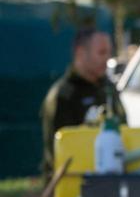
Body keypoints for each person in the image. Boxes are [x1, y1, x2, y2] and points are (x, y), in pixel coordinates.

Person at [40, 26, 125, 179]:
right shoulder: (63, 96)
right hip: (72, 182)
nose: (107, 58)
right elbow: (58, 153)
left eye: (109, 52)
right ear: (80, 53)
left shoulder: (108, 89)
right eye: (101, 52)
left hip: (110, 181)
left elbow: (124, 129)